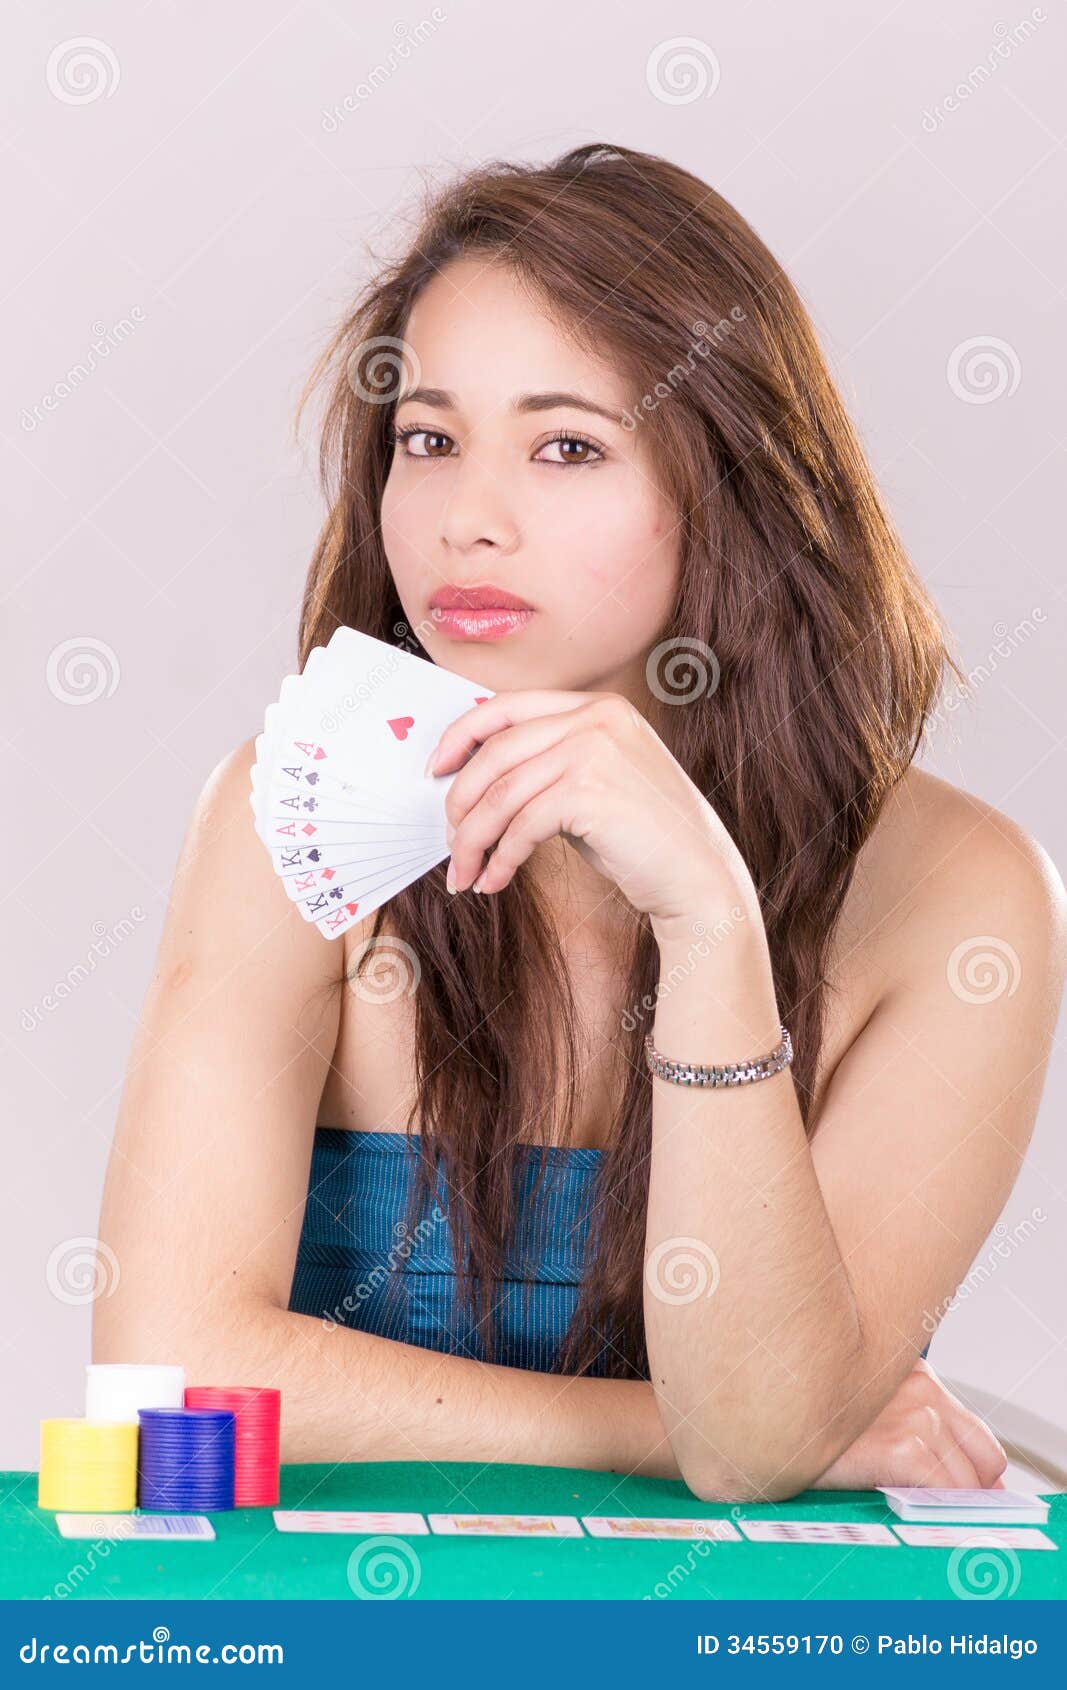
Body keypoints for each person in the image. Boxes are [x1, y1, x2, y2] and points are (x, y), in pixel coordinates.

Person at [94, 143, 1065, 1501]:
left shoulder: (966, 892)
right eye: (428, 440)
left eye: (567, 446)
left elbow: (756, 1429)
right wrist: (655, 1427)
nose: (467, 523)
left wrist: (711, 926)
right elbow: (164, 1373)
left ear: (729, 488)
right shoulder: (279, 820)